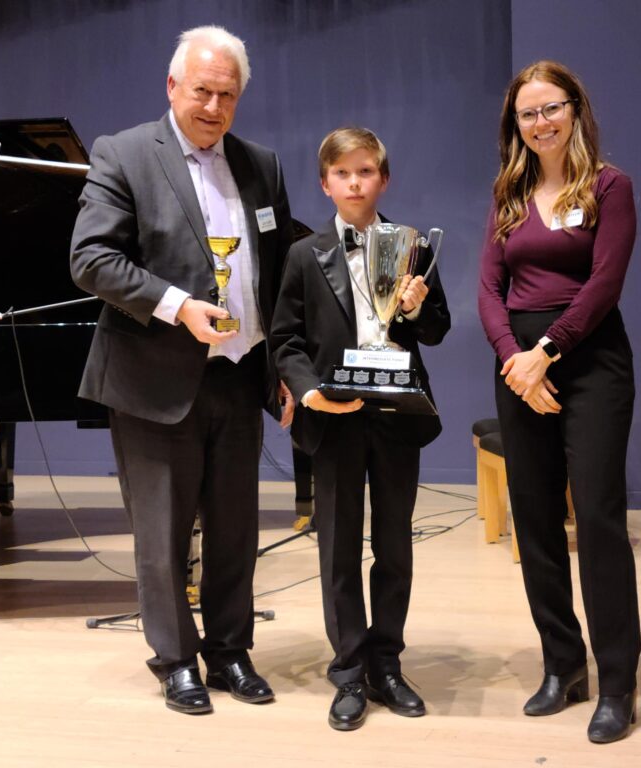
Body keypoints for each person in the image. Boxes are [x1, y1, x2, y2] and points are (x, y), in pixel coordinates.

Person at [70, 25, 295, 715]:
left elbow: (279, 272)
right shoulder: (125, 154)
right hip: (154, 379)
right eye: (202, 91)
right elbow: (91, 259)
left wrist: (284, 362)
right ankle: (176, 660)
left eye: (227, 94)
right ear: (173, 86)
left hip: (238, 375)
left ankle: (229, 649)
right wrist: (176, 307)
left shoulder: (261, 164)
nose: (214, 106)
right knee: (162, 537)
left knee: (235, 532)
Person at [477, 60, 641, 743]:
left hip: (589, 359)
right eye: (527, 113)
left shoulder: (610, 186)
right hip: (519, 366)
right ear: (514, 125)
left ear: (574, 110)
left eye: (551, 108)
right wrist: (514, 359)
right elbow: (489, 287)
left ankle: (619, 683)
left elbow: (605, 283)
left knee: (597, 519)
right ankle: (562, 666)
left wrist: (547, 351)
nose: (540, 122)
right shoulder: (509, 192)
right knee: (536, 521)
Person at [271, 127, 450, 731]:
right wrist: (311, 391)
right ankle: (348, 670)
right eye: (342, 173)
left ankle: (387, 664)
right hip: (336, 417)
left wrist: (421, 303)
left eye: (366, 171)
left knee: (395, 545)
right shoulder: (303, 254)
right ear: (325, 183)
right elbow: (285, 340)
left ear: (384, 179)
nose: (355, 182)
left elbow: (438, 329)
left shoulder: (414, 245)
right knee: (339, 548)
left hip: (397, 418)